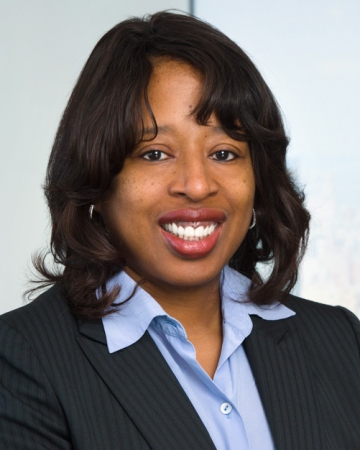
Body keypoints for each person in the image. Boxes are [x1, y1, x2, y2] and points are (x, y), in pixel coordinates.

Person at [1, 11, 359, 450]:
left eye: (225, 153)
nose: (197, 184)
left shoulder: (340, 339)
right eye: (154, 154)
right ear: (95, 178)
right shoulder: (22, 361)